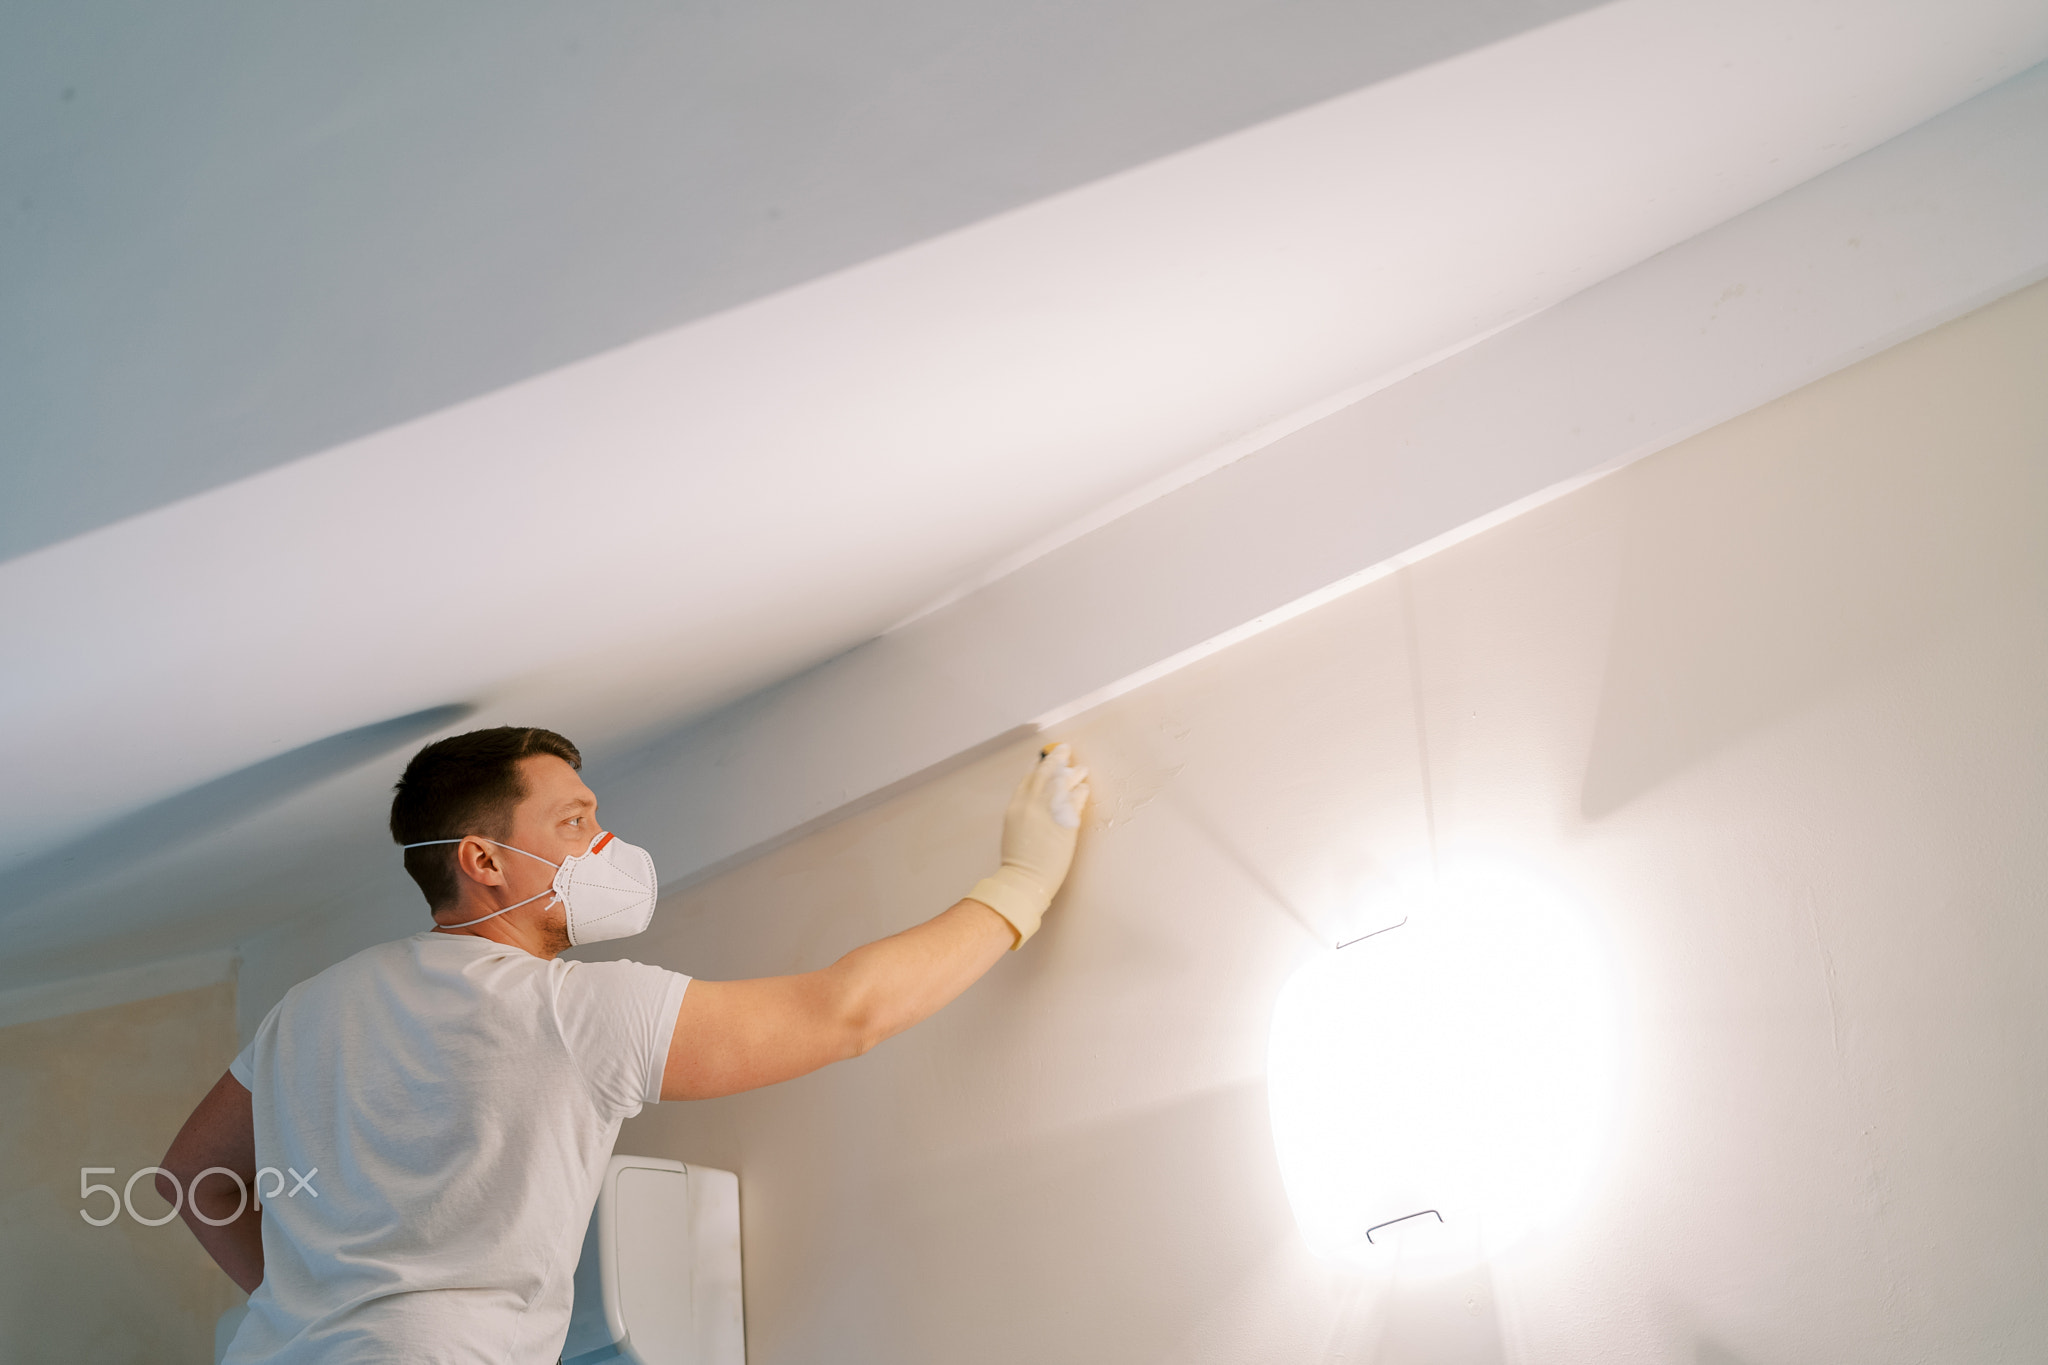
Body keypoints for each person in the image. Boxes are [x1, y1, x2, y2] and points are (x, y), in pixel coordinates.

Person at [160, 725, 1089, 1364]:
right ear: (482, 860)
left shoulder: (309, 1009)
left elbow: (190, 1177)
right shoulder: (568, 1009)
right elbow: (844, 1011)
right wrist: (1021, 885)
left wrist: (308, 1307)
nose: (604, 844)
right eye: (572, 823)